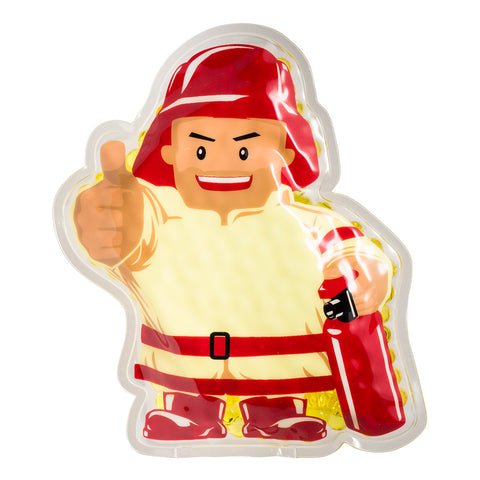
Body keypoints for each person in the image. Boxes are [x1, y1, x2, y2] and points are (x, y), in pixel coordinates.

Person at [73, 45, 404, 441]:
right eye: (201, 148)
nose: (223, 163)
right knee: (187, 396)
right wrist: (105, 216)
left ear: (286, 151)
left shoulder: (308, 224)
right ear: (169, 152)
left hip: (282, 364)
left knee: (278, 392)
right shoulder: (155, 214)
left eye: (245, 148)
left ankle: (278, 411)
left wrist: (365, 277)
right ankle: (187, 412)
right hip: (185, 367)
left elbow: (353, 250)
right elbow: (119, 229)